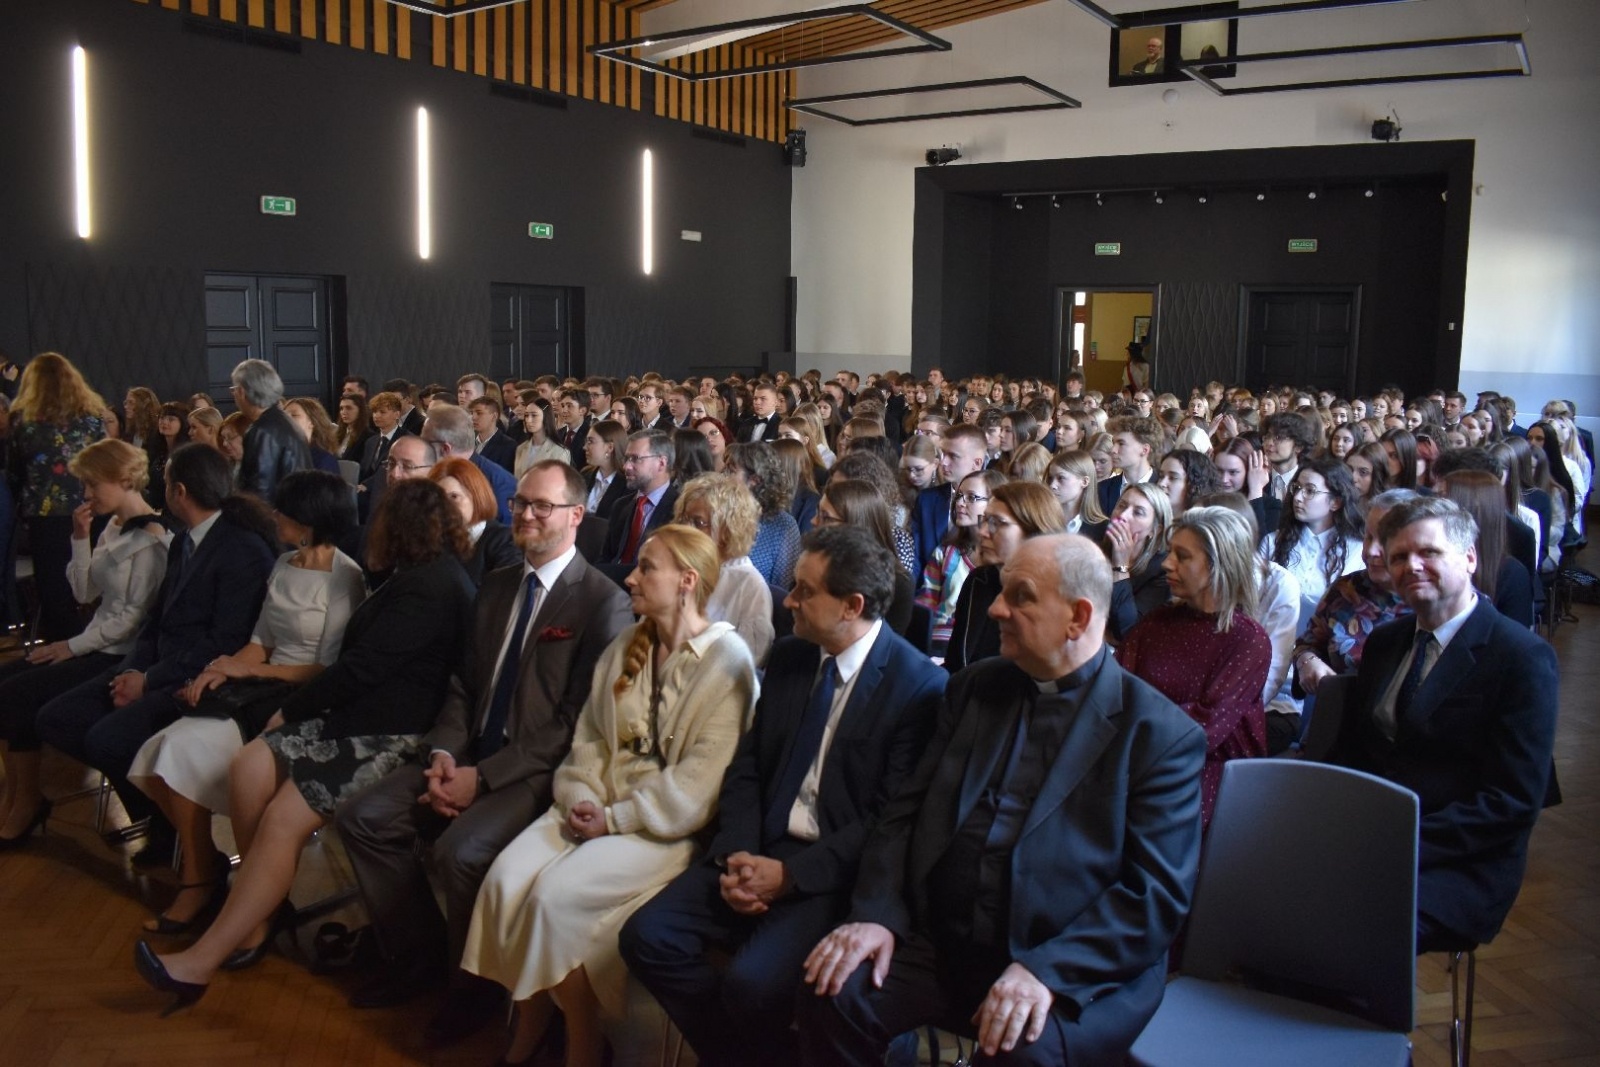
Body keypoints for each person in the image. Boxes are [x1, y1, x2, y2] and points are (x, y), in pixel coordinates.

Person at [798, 534, 1205, 1066]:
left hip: (1072, 960)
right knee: (833, 992)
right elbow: (904, 813)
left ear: (1078, 618)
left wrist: (1047, 969)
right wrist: (878, 912)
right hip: (944, 941)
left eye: (1021, 596)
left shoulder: (1158, 735)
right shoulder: (974, 688)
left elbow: (1153, 896)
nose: (995, 607)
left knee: (1019, 1052)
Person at [132, 478, 478, 1014]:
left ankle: (203, 959)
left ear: (404, 528)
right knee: (248, 765)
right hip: (360, 718)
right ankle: (264, 908)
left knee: (280, 819)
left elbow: (362, 670)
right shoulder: (413, 577)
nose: (371, 529)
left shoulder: (431, 587)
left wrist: (291, 710)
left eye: (383, 519)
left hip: (390, 734)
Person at [621, 526, 946, 1067]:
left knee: (750, 984)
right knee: (646, 938)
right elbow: (749, 765)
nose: (787, 599)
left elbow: (886, 821)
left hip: (829, 874)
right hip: (757, 846)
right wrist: (736, 852)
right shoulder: (795, 656)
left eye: (803, 590)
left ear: (852, 606)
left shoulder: (916, 688)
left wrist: (790, 876)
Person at [335, 460, 632, 1043]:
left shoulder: (602, 602)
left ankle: (472, 991)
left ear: (576, 515)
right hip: (466, 751)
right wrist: (446, 754)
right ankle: (417, 956)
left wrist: (484, 776)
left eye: (542, 506)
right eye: (521, 502)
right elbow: (463, 685)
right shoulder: (497, 585)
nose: (525, 514)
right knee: (363, 818)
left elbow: (575, 723)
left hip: (532, 772)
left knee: (461, 853)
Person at [462, 525, 758, 1067]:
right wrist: (580, 794)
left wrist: (614, 818)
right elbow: (590, 738)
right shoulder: (629, 643)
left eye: (647, 567)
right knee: (505, 882)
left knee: (554, 897)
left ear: (687, 581)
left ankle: (582, 1037)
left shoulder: (728, 662)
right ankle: (531, 1021)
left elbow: (698, 787)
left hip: (660, 828)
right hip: (595, 804)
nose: (631, 576)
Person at [127, 470, 363, 933]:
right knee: (163, 753)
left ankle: (252, 896)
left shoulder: (346, 577)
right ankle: (203, 873)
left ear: (310, 520)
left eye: (284, 511)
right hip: (261, 684)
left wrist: (248, 670)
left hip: (304, 697)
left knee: (194, 754)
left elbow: (327, 668)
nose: (274, 516)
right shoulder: (283, 564)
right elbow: (261, 641)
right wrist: (218, 669)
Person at [1326, 496, 1559, 952]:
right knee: (1267, 886)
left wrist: (1393, 842)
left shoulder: (1520, 657)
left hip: (1459, 860)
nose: (1411, 566)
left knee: (1344, 923)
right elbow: (1354, 750)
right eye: (1398, 557)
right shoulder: (1386, 642)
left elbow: (1510, 801)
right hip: (1371, 836)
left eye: (1428, 552)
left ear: (1469, 557)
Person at [37, 444, 278, 864]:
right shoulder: (186, 539)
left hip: (200, 677)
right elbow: (156, 620)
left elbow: (225, 640)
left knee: (107, 739)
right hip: (156, 665)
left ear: (179, 491)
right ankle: (162, 823)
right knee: (55, 718)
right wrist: (132, 669)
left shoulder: (241, 549)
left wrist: (149, 679)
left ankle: (186, 844)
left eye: (166, 482)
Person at [0, 439, 170, 847]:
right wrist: (80, 538)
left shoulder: (153, 538)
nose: (87, 495)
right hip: (94, 642)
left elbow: (130, 623)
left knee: (17, 695)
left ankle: (27, 800)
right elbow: (83, 592)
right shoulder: (111, 525)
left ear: (125, 480)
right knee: (7, 685)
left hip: (116, 654)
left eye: (93, 485)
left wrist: (71, 647)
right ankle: (21, 796)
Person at [1118, 507, 1271, 827]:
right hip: (1138, 757)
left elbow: (1206, 728)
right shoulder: (1159, 622)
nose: (1166, 564)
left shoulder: (1247, 640)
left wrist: (1132, 728)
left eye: (1182, 556)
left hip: (1206, 774)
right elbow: (1115, 684)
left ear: (1219, 566)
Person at [4, 352, 106, 640]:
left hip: (45, 516)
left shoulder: (23, 422)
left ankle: (61, 648)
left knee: (54, 589)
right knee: (92, 581)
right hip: (92, 510)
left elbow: (14, 471)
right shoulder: (92, 420)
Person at [944, 481, 1066, 674]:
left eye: (996, 524)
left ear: (1034, 531)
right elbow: (956, 661)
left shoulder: (1054, 598)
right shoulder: (979, 580)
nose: (983, 532)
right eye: (984, 520)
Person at [675, 472, 776, 666]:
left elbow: (746, 665)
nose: (686, 529)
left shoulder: (750, 586)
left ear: (728, 528)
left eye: (698, 522)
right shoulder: (681, 564)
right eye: (684, 519)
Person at [1258, 455, 1366, 623]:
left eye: (1310, 491)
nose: (1298, 497)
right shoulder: (1272, 542)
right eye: (1297, 488)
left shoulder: (1356, 550)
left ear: (1335, 502)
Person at [917, 469, 1005, 657]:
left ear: (993, 503)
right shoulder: (946, 552)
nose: (960, 503)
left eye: (971, 498)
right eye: (958, 496)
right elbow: (926, 604)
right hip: (936, 644)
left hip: (975, 649)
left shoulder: (1002, 560)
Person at [814, 478, 915, 637]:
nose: (813, 521)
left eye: (825, 517)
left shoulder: (899, 585)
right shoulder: (815, 563)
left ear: (855, 524)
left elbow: (883, 648)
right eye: (817, 513)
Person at [1438, 469, 1535, 627]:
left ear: (1467, 507)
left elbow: (1513, 645)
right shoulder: (1430, 560)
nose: (1432, 506)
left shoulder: (1512, 575)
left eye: (1441, 497)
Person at [430, 457, 521, 586]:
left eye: (454, 497)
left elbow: (504, 596)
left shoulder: (504, 540)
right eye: (437, 498)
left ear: (477, 496)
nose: (444, 506)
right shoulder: (432, 539)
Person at [599, 429, 678, 578]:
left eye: (635, 459)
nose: (626, 467)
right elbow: (607, 558)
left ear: (661, 463)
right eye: (627, 459)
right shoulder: (621, 506)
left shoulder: (679, 509)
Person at [422, 402, 516, 525]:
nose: (421, 449)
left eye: (425, 443)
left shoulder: (500, 488)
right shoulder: (436, 475)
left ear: (445, 449)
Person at [1103, 482, 1174, 641]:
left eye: (1138, 512)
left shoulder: (1162, 569)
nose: (1123, 516)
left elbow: (1128, 631)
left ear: (1155, 530)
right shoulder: (1096, 546)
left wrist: (1120, 566)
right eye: (1121, 505)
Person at [911, 424, 986, 572]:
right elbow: (916, 560)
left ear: (976, 463)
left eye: (953, 456)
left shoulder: (995, 502)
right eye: (942, 454)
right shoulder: (927, 500)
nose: (943, 462)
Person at [233, 359, 312, 501]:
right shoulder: (284, 420)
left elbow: (260, 492)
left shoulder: (262, 430)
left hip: (277, 517)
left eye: (234, 390)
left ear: (241, 392)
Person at [727, 441, 802, 589]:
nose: (724, 477)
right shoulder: (722, 513)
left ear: (754, 480)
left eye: (732, 472)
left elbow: (783, 589)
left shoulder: (783, 526)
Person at [1096, 416, 1161, 515]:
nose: (1113, 450)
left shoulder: (1162, 487)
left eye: (1121, 444)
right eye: (1113, 443)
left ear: (1144, 450)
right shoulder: (1102, 489)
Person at [1046, 450, 1108, 538]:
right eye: (1051, 478)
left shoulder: (1102, 528)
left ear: (1084, 481)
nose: (1052, 485)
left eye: (1061, 478)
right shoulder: (1043, 518)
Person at [581, 418, 630, 518]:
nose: (585, 447)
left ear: (610, 447)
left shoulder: (627, 484)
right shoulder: (585, 475)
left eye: (591, 441)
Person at [1154, 448, 1221, 518]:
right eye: (1161, 476)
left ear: (1194, 485)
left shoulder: (1202, 525)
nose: (1161, 484)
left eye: (1173, 478)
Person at [469, 396, 518, 472]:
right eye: (472, 413)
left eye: (479, 413)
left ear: (494, 416)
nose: (473, 417)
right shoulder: (468, 442)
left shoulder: (508, 445)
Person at [335, 392, 373, 464]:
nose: (344, 412)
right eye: (341, 408)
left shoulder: (368, 437)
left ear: (360, 410)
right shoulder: (337, 434)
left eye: (348, 408)